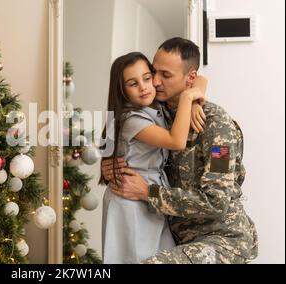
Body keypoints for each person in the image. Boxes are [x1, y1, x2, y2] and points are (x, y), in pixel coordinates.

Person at [101, 38, 258, 264]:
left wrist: (148, 192)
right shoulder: (158, 112)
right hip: (177, 238)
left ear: (189, 78)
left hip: (220, 240)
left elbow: (217, 201)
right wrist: (113, 167)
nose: (154, 81)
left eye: (165, 75)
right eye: (154, 72)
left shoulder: (217, 126)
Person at [99, 52, 207, 264]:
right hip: (129, 197)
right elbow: (176, 141)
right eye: (133, 83)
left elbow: (201, 79)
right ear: (122, 90)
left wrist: (196, 100)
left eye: (147, 78)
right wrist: (189, 97)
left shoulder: (155, 105)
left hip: (151, 195)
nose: (144, 87)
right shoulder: (131, 119)